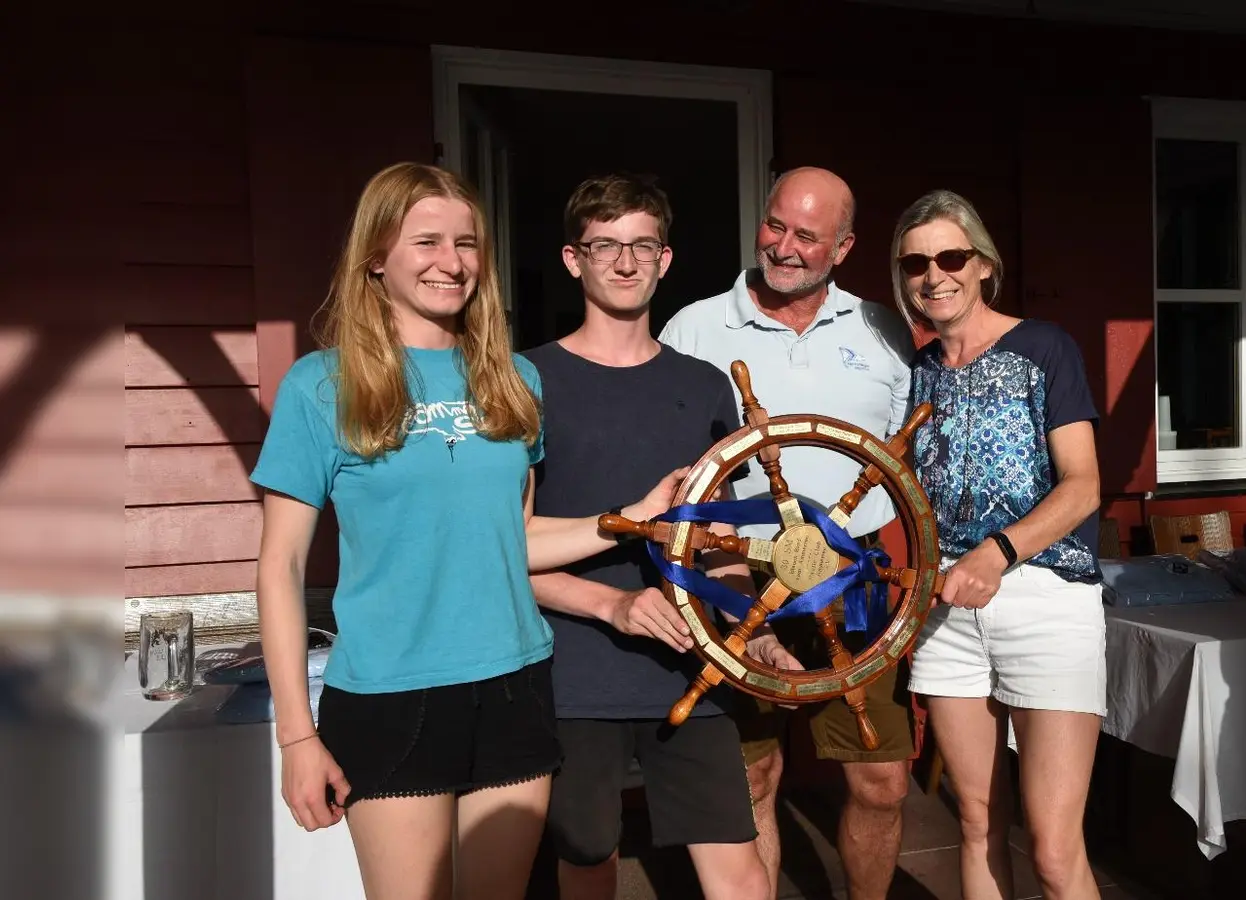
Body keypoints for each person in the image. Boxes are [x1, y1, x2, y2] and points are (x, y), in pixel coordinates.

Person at [251, 162, 682, 900]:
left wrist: (628, 521)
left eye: (467, 242)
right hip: (390, 695)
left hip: (515, 687)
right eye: (426, 242)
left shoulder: (513, 379)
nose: (451, 263)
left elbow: (516, 539)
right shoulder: (321, 385)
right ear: (376, 256)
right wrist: (297, 735)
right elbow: (280, 567)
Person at [658, 166, 917, 900]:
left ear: (844, 247)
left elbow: (905, 460)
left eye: (808, 234)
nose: (785, 246)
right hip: (737, 579)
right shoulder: (694, 328)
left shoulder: (883, 331)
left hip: (857, 581)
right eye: (776, 225)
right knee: (752, 776)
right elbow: (673, 471)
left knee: (881, 781)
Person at [519, 174, 776, 900]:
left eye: (642, 245)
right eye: (605, 245)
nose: (625, 262)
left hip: (690, 666)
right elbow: (506, 546)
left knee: (738, 867)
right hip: (573, 673)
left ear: (665, 259)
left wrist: (753, 630)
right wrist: (613, 606)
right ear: (573, 259)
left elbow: (720, 539)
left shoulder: (705, 385)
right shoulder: (525, 379)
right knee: (587, 860)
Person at [891, 189, 1105, 900]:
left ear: (983, 264)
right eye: (916, 263)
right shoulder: (919, 372)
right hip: (947, 610)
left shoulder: (1044, 348)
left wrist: (999, 553)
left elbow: (1083, 485)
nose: (934, 275)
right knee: (978, 820)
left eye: (951, 257)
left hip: (1045, 596)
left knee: (1053, 848)